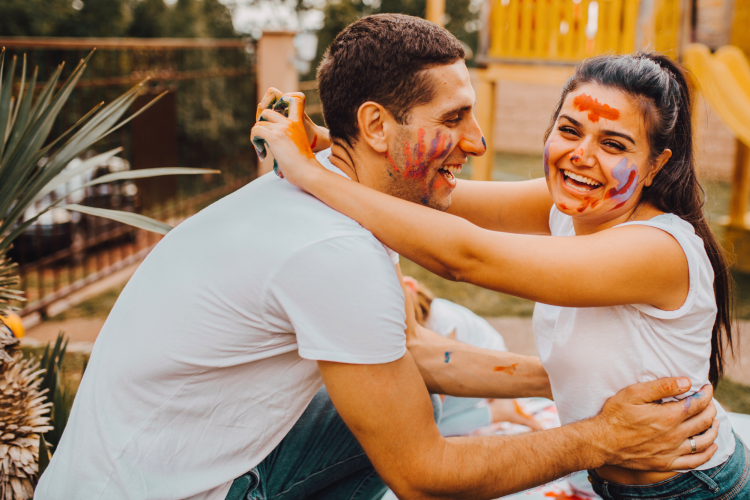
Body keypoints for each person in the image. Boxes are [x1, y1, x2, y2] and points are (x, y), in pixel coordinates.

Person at [36, 16, 719, 500]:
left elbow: (408, 336)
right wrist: (596, 435)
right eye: (453, 120)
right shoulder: (333, 246)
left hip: (103, 480)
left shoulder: (300, 196)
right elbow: (421, 473)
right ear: (372, 127)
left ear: (659, 163)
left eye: (616, 144)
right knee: (418, 443)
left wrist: (564, 381)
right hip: (180, 492)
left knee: (398, 405)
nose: (478, 142)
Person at [252, 31, 743, 499]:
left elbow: (465, 256)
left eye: (613, 144)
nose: (581, 156)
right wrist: (329, 141)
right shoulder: (569, 205)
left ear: (656, 165)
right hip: (612, 481)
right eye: (569, 130)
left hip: (691, 490)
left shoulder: (656, 250)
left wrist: (308, 174)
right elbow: (432, 192)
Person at [403, 276, 543, 435]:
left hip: (490, 373)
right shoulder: (418, 318)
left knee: (424, 429)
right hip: (470, 371)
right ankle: (500, 410)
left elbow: (443, 373)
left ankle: (501, 411)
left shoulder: (443, 321)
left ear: (410, 286)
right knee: (416, 424)